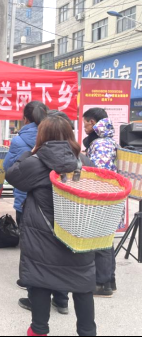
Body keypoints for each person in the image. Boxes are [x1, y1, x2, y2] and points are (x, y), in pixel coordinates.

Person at [6, 116, 96, 337]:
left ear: (42, 136)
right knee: (82, 284)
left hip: (42, 234)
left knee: (40, 280)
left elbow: (12, 175)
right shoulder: (85, 162)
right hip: (77, 235)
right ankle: (87, 331)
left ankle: (39, 330)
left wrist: (29, 153)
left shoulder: (34, 163)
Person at [83, 108, 119, 298]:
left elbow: (99, 173)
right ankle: (109, 280)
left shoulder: (101, 143)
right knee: (105, 238)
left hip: (103, 197)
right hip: (109, 196)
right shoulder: (105, 140)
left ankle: (102, 283)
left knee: (101, 239)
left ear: (92, 122)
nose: (84, 127)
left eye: (85, 123)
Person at [3, 102, 48, 226]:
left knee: (24, 232)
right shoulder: (54, 136)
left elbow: (8, 168)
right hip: (49, 199)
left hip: (24, 197)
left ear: (25, 119)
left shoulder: (18, 141)